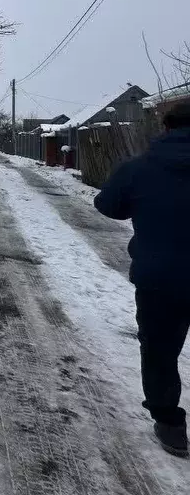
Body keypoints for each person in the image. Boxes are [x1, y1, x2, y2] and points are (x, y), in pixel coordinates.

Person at [95, 100, 190, 458]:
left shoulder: (140, 168)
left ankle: (170, 425)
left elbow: (109, 206)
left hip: (159, 281)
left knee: (160, 353)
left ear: (165, 127)